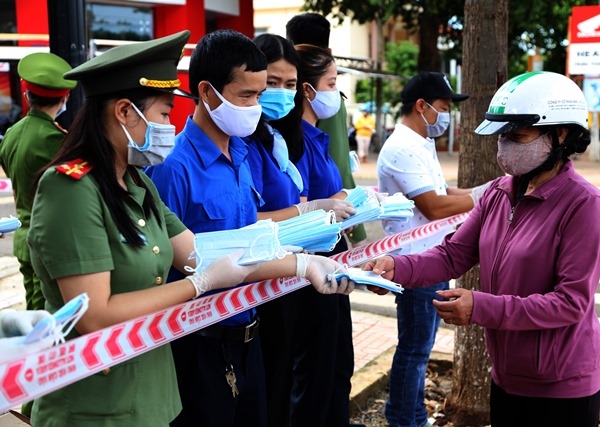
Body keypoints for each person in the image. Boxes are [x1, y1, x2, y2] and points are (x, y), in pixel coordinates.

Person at [27, 30, 351, 427]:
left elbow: (200, 252)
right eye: (164, 114)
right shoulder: (71, 189)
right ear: (124, 111)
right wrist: (197, 285)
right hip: (96, 401)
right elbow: (94, 315)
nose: (169, 125)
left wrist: (304, 266)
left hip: (152, 386)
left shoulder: (137, 183)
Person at [365, 71, 600, 427]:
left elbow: (571, 302)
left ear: (560, 134)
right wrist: (395, 267)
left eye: (518, 136)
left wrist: (481, 307)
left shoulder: (584, 206)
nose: (505, 148)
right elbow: (452, 254)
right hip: (507, 375)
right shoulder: (499, 193)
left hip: (562, 385)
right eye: (502, 137)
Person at [145, 30, 352, 427]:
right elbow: (173, 261)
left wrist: (303, 261)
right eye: (247, 95)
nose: (256, 106)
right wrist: (301, 264)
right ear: (207, 92)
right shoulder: (174, 168)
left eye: (261, 94)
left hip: (250, 333)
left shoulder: (241, 152)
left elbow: (251, 238)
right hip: (199, 343)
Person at [244, 33, 356, 427]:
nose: (279, 93)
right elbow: (246, 221)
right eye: (271, 83)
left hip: (299, 268)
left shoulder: (281, 139)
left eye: (288, 85)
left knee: (320, 372)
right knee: (283, 384)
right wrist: (312, 208)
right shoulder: (246, 143)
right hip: (265, 280)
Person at [376, 71, 490, 427]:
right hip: (416, 262)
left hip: (429, 259)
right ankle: (403, 420)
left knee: (419, 348)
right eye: (443, 108)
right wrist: (483, 200)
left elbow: (444, 193)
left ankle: (414, 415)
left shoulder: (419, 143)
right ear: (421, 106)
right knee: (414, 350)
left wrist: (485, 191)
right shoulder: (402, 148)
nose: (446, 117)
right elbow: (435, 207)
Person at [285, 43, 356, 427]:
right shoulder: (294, 142)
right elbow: (301, 207)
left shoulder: (317, 137)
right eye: (331, 83)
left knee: (337, 370)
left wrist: (346, 200)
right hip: (310, 271)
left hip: (332, 263)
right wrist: (327, 205)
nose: (337, 94)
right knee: (314, 375)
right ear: (308, 91)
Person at [0, 52, 76, 313]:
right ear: (65, 97)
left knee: (33, 308)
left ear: (27, 95)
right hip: (51, 241)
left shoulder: (11, 134)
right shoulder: (56, 139)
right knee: (50, 315)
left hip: (22, 238)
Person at [286, 12, 367, 245]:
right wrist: (355, 225)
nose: (334, 90)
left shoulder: (314, 133)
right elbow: (339, 164)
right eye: (332, 84)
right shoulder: (299, 138)